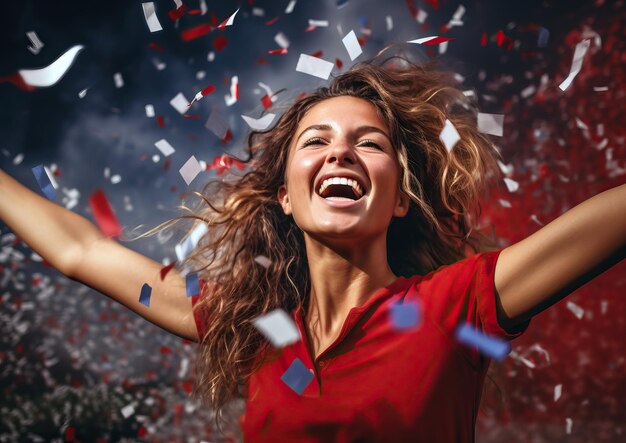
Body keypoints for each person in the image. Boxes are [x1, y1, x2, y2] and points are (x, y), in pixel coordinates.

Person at [1, 48, 624, 442]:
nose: (341, 151)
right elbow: (77, 251)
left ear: (400, 198)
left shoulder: (456, 304)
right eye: (315, 140)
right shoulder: (258, 325)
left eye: (370, 143)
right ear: (286, 197)